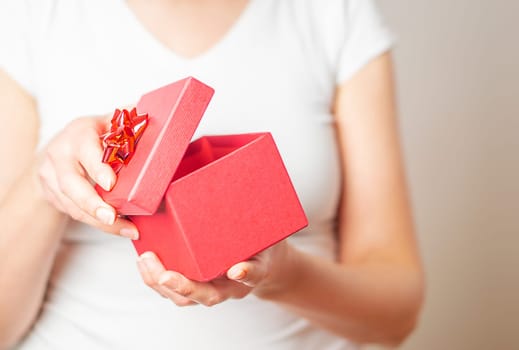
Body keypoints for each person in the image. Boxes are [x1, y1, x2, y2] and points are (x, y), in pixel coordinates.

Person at [0, 0, 424, 349]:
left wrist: (283, 274)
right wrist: (48, 183)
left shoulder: (334, 13)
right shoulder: (35, 15)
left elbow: (396, 316)